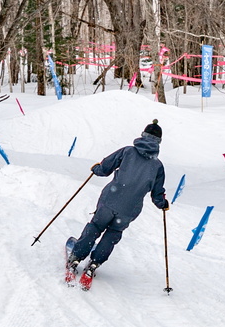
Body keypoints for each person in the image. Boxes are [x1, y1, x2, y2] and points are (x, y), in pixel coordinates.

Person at [68, 119, 169, 284]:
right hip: (129, 209)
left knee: (96, 226)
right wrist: (162, 204)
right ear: (159, 142)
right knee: (113, 233)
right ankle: (94, 263)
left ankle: (76, 257)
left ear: (143, 135)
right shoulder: (157, 166)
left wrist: (96, 169)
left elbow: (105, 168)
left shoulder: (128, 152)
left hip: (110, 200)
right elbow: (157, 195)